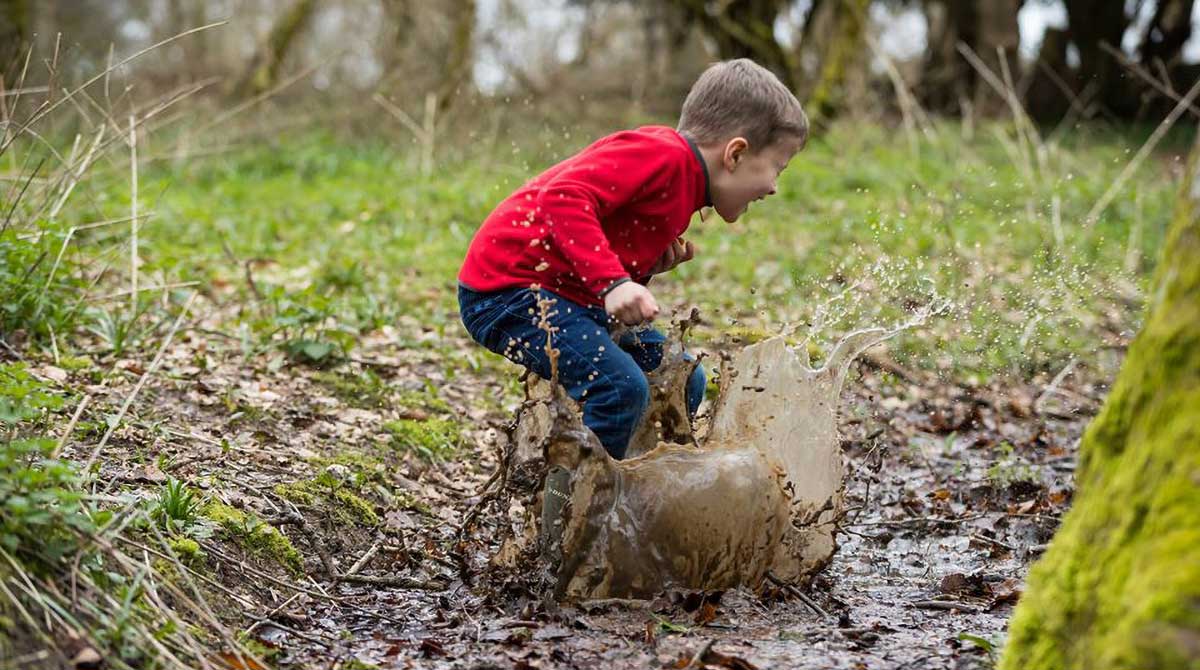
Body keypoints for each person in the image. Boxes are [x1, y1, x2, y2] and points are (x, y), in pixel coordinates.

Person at [457, 58, 808, 459]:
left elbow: (594, 239)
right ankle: (576, 513)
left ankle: (646, 486)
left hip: (566, 295)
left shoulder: (687, 183)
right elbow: (563, 197)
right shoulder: (662, 155)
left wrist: (634, 272)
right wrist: (614, 283)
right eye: (777, 168)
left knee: (685, 380)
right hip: (505, 291)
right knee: (619, 388)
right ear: (736, 154)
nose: (774, 187)